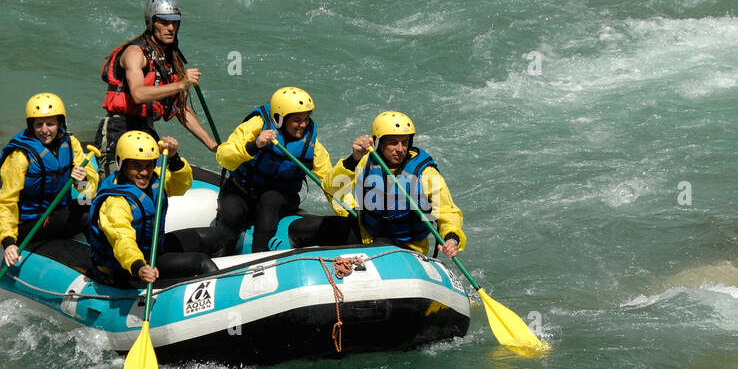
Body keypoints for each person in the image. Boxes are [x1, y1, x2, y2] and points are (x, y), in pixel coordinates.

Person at [214, 87, 364, 254]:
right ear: (279, 119)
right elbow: (223, 156)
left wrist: (350, 212)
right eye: (297, 120)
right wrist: (254, 145)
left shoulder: (312, 146)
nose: (303, 125)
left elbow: (330, 183)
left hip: (281, 199)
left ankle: (260, 254)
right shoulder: (256, 125)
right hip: (241, 191)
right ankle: (221, 256)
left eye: (306, 119)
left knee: (270, 199)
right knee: (232, 213)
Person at [93, 0, 217, 176]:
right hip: (119, 129)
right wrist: (181, 85)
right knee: (115, 190)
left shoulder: (170, 60)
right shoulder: (135, 53)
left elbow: (179, 108)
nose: (170, 28)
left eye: (174, 23)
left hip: (146, 129)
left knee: (149, 192)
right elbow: (138, 94)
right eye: (164, 22)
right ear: (151, 22)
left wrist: (211, 144)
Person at [322, 111, 466, 257]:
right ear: (379, 143)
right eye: (393, 142)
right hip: (367, 234)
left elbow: (447, 211)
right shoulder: (365, 161)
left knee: (380, 245)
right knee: (302, 228)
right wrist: (353, 159)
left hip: (407, 246)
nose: (400, 149)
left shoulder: (426, 173)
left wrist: (451, 238)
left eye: (405, 142)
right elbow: (331, 188)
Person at [87, 130, 217, 288]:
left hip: (154, 248)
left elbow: (181, 185)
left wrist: (174, 158)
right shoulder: (115, 203)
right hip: (128, 266)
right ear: (122, 164)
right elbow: (122, 241)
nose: (144, 172)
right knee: (202, 262)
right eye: (136, 166)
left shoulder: (155, 178)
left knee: (221, 237)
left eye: (149, 165)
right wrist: (139, 267)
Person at [0, 92, 99, 267]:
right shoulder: (21, 156)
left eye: (50, 124)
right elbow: (6, 201)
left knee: (97, 206)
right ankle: (99, 265)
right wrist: (8, 241)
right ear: (31, 126)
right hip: (30, 223)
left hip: (57, 212)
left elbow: (88, 192)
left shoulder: (70, 143)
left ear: (60, 123)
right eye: (38, 125)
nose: (44, 130)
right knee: (86, 217)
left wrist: (82, 180)